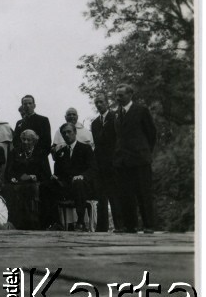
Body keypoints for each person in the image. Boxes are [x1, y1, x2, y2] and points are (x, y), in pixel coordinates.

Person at [113, 84, 157, 233]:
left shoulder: (141, 111)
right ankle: (130, 225)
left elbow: (151, 134)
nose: (118, 98)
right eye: (117, 95)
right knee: (126, 194)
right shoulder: (117, 114)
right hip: (123, 161)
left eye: (121, 95)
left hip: (140, 159)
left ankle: (148, 225)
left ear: (130, 95)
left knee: (143, 193)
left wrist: (144, 152)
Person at [41, 123, 97, 231]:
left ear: (75, 132)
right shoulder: (61, 152)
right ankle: (55, 222)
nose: (66, 135)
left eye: (69, 132)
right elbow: (58, 172)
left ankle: (80, 222)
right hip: (66, 187)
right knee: (45, 186)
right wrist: (55, 177)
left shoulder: (85, 148)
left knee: (78, 183)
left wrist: (82, 176)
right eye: (64, 133)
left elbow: (93, 169)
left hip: (83, 186)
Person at [90, 93, 123, 232]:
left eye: (101, 102)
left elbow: (119, 139)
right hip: (100, 165)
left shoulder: (115, 117)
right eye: (96, 102)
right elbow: (97, 143)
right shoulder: (95, 123)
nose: (99, 105)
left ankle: (120, 226)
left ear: (107, 102)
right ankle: (101, 227)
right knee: (101, 197)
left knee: (115, 196)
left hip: (114, 163)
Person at [6, 129, 50, 229]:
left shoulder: (41, 153)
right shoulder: (15, 152)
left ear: (34, 141)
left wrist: (35, 177)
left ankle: (35, 222)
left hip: (36, 183)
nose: (25, 142)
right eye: (24, 139)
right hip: (18, 182)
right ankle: (15, 223)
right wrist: (13, 178)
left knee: (35, 190)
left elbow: (46, 173)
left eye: (29, 140)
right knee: (9, 189)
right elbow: (9, 171)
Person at [13, 95, 52, 177]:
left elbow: (47, 142)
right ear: (22, 106)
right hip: (22, 161)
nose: (27, 106)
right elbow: (16, 141)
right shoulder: (19, 123)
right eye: (25, 104)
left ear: (34, 105)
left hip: (39, 160)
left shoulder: (43, 120)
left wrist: (36, 156)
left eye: (30, 103)